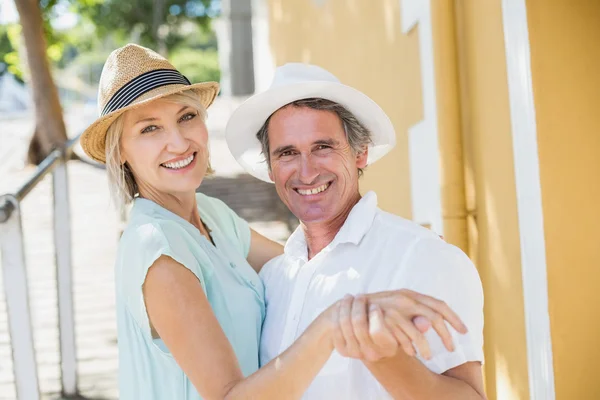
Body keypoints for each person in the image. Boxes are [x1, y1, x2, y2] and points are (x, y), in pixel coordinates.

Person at [80, 45, 467, 399]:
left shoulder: (214, 217)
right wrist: (333, 324)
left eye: (186, 117)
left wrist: (406, 250)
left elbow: (307, 271)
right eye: (149, 129)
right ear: (121, 152)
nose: (179, 142)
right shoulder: (156, 246)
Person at [225, 63, 486, 399]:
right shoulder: (274, 279)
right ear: (272, 169)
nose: (306, 172)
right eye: (287, 153)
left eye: (323, 147)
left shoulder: (426, 258)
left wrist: (382, 355)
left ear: (360, 153)